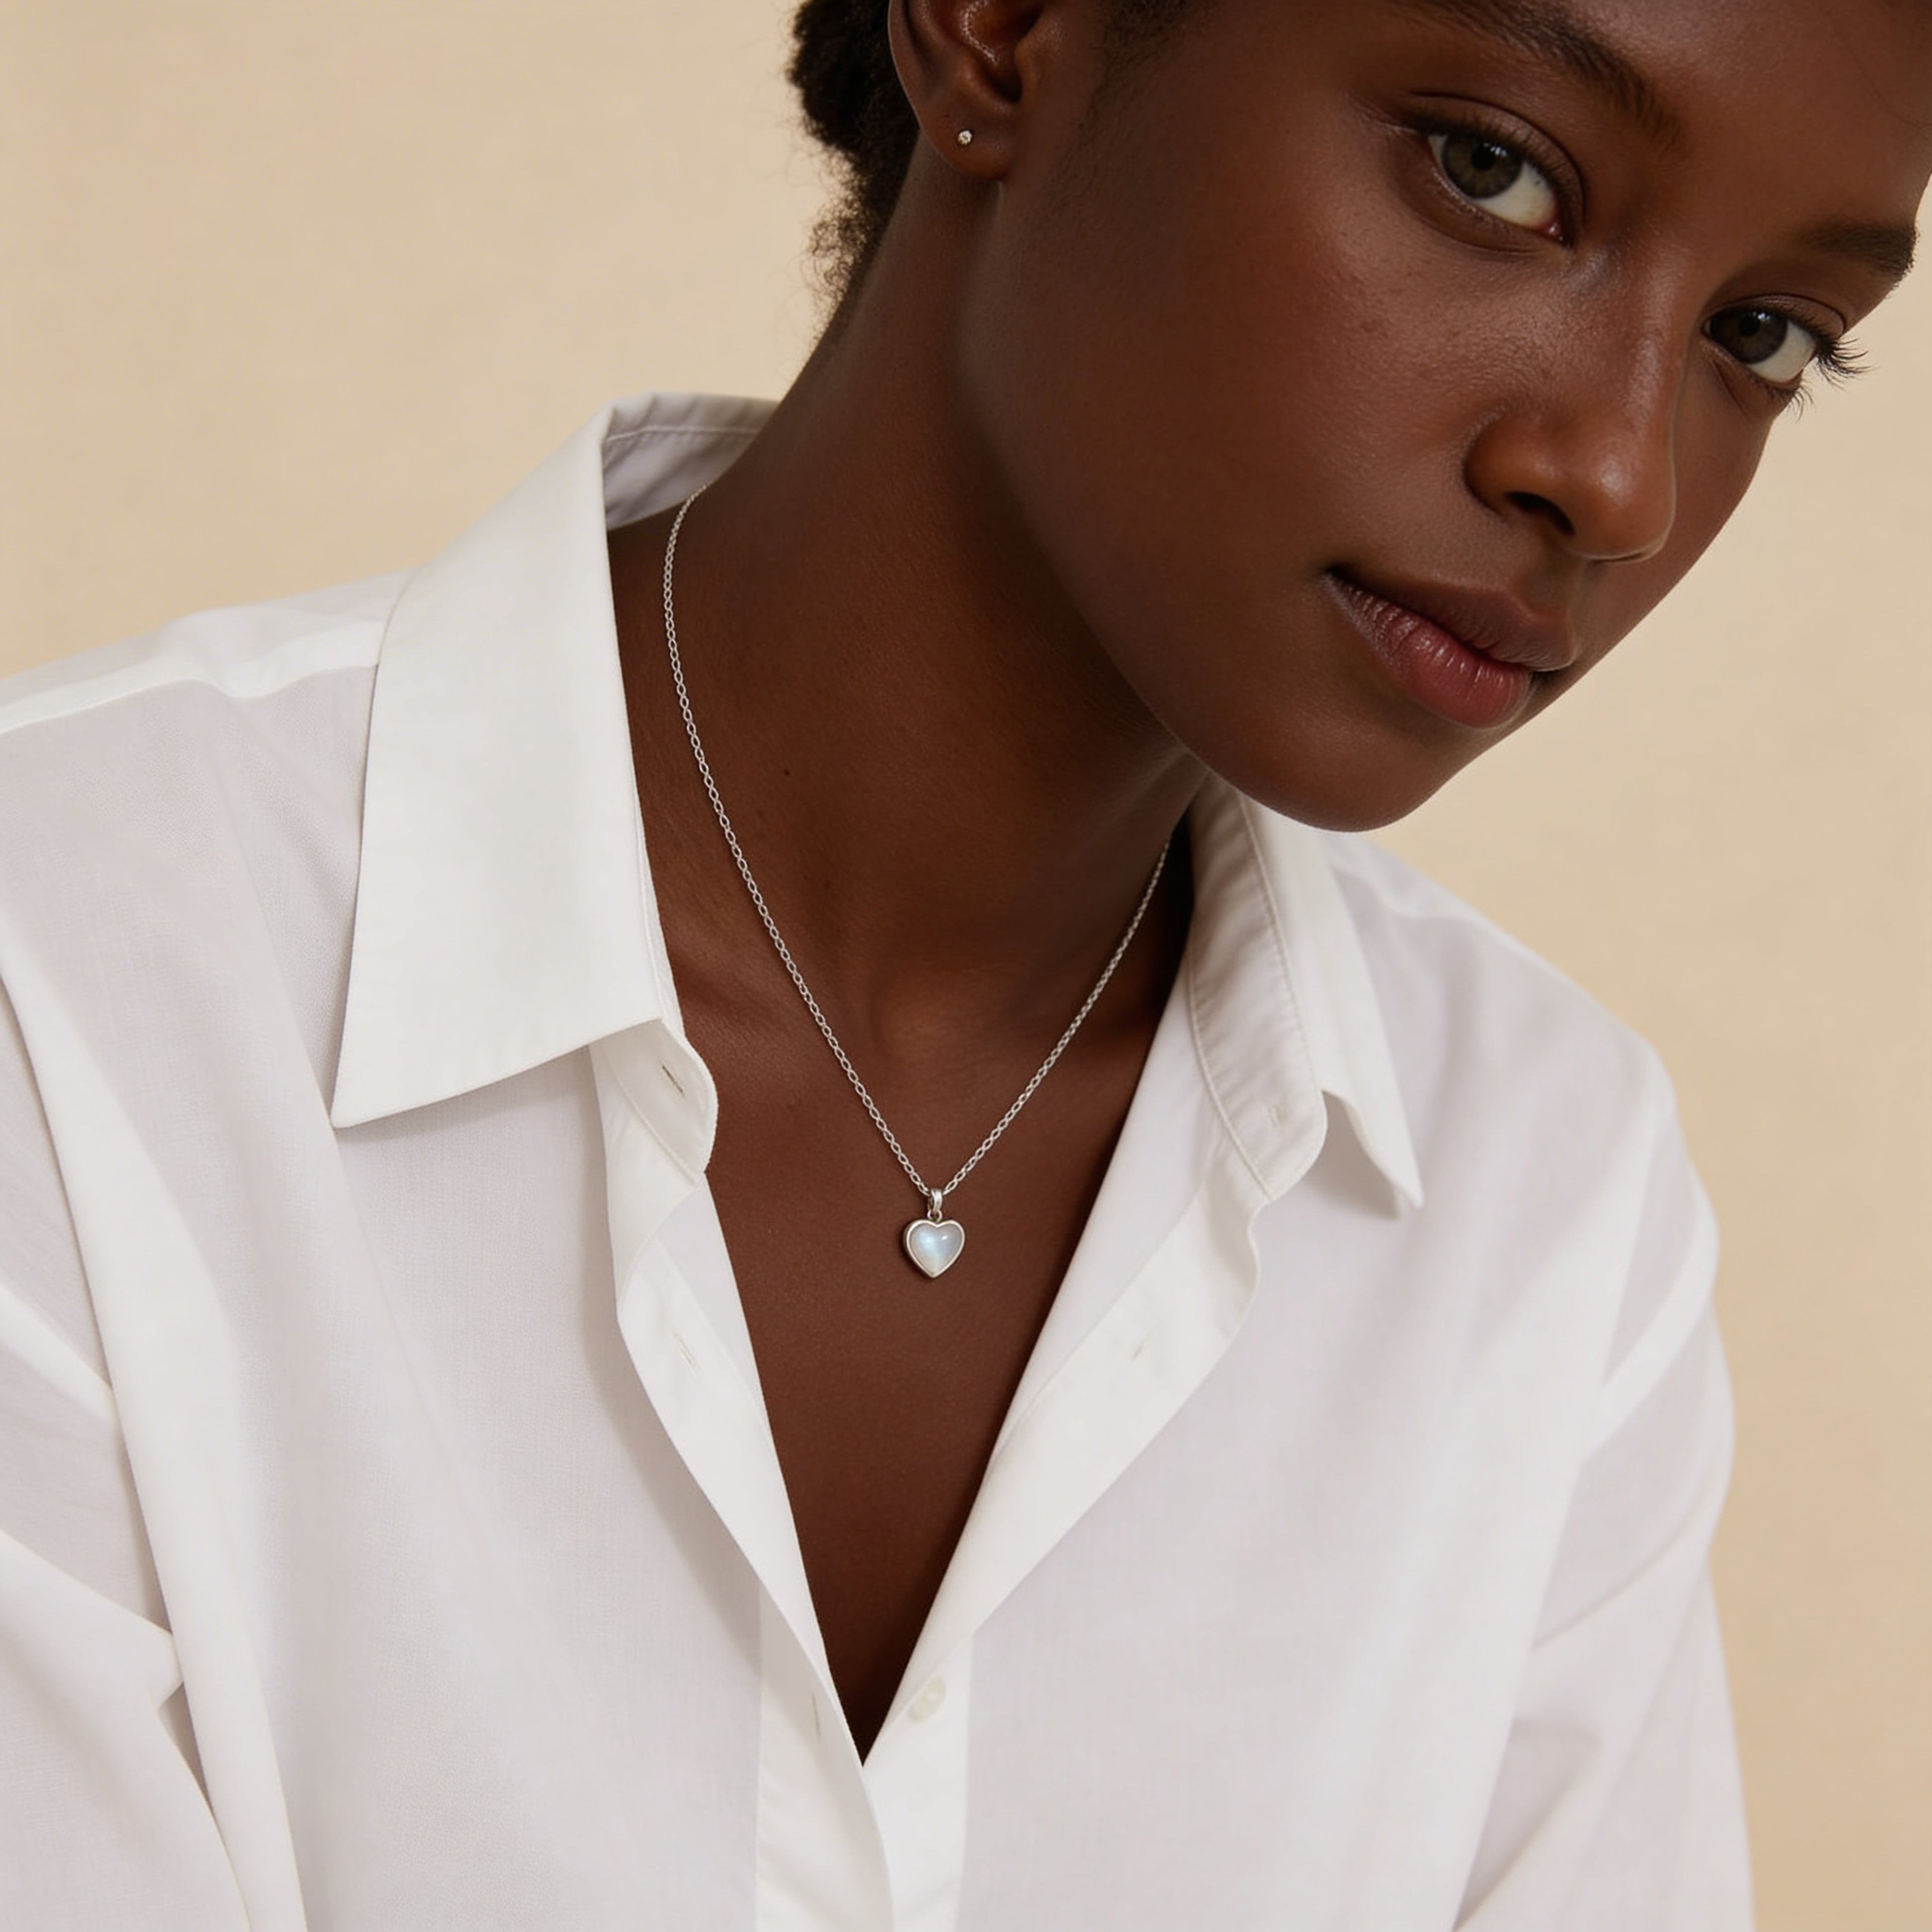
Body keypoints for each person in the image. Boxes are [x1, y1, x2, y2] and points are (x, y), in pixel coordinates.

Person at [3, 0, 1927, 1925]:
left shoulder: (1544, 1202)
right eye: (1492, 171)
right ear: (1005, 32)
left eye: (1763, 336)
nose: (1616, 479)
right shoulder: (76, 977)